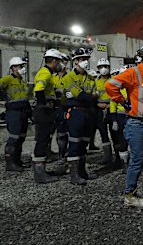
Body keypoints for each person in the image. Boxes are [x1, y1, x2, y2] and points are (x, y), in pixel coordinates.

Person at [106, 44, 143, 208]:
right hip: (137, 124)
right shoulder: (133, 73)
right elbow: (110, 85)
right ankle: (129, 194)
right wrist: (123, 102)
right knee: (137, 159)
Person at [61, 48, 99, 185]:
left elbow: (95, 95)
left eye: (86, 59)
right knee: (75, 143)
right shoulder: (68, 77)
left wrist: (86, 96)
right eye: (82, 59)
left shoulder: (90, 77)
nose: (85, 62)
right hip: (76, 113)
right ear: (75, 61)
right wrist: (87, 96)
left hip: (88, 113)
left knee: (84, 143)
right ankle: (74, 175)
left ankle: (82, 172)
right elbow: (82, 95)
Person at [31, 49, 65, 183]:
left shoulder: (48, 73)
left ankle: (41, 170)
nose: (60, 65)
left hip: (44, 110)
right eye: (59, 62)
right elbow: (39, 89)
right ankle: (40, 174)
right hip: (43, 111)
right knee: (42, 140)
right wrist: (44, 105)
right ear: (54, 61)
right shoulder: (45, 72)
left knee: (43, 139)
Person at [0, 57, 32, 172]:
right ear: (13, 68)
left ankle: (17, 161)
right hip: (13, 113)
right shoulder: (8, 79)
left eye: (23, 66)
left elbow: (25, 99)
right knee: (14, 138)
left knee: (21, 138)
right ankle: (10, 164)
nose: (23, 69)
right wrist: (4, 97)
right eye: (20, 66)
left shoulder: (22, 81)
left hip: (23, 113)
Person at [108, 67, 129, 172]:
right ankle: (124, 163)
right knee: (122, 140)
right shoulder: (117, 89)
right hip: (121, 116)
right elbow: (112, 105)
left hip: (132, 116)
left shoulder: (133, 87)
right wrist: (114, 121)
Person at [94, 58, 113, 165]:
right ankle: (107, 157)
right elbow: (93, 97)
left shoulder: (114, 80)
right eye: (101, 67)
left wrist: (111, 104)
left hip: (112, 110)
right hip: (100, 111)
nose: (104, 69)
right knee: (103, 134)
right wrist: (98, 104)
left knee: (115, 134)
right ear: (98, 69)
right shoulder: (95, 82)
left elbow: (118, 94)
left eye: (105, 66)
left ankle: (119, 158)